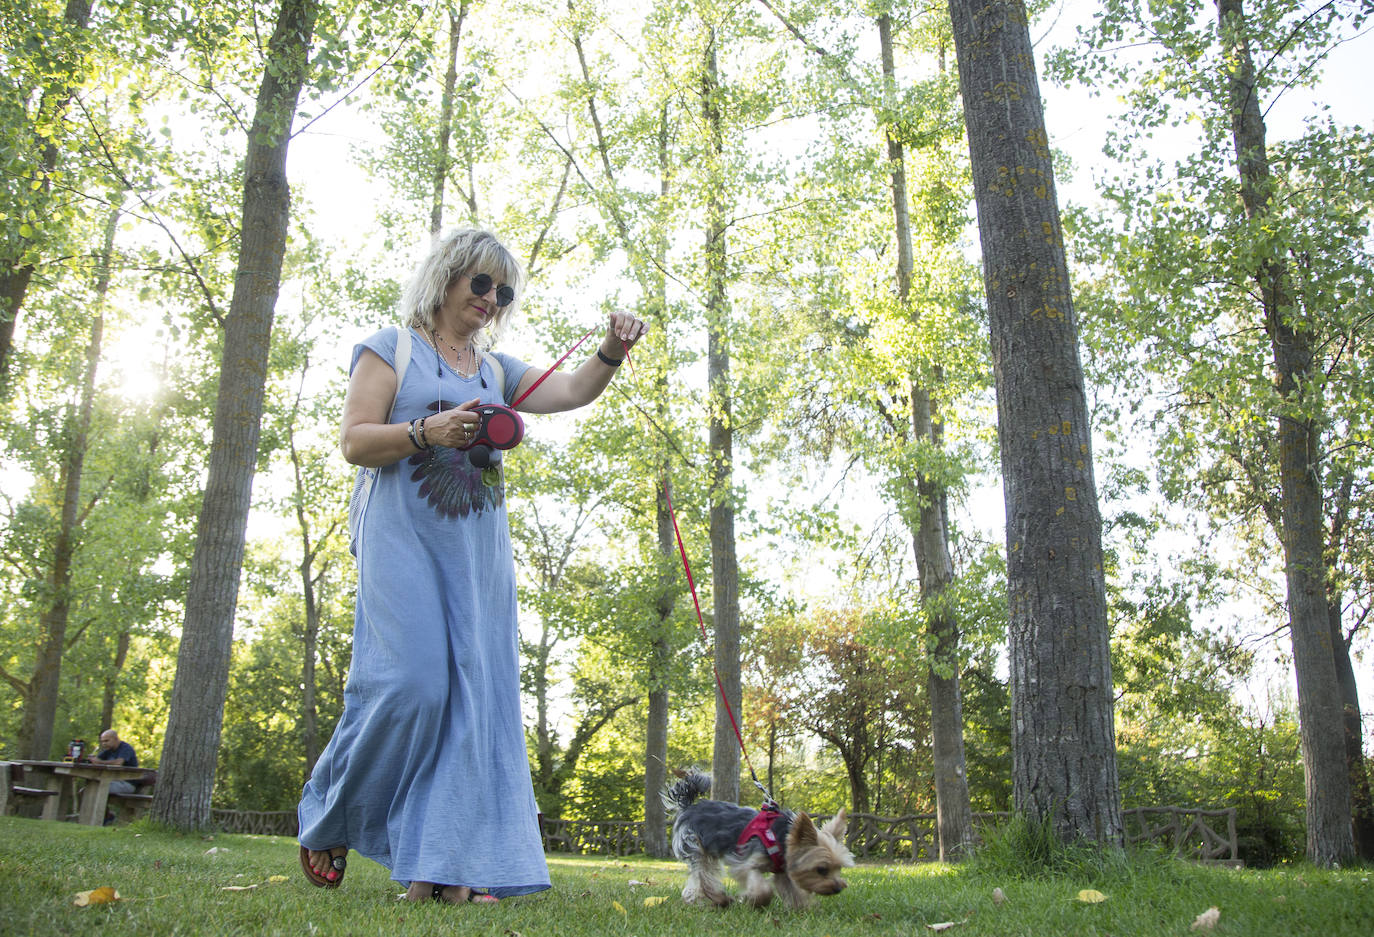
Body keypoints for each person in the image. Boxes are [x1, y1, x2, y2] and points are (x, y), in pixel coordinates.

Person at [297, 228, 647, 904]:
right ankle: (329, 810)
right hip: (400, 537)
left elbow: (573, 391)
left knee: (470, 703)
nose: (491, 299)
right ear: (448, 276)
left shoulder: (496, 370)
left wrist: (613, 348)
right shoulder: (389, 348)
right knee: (412, 685)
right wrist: (428, 431)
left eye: (503, 291)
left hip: (476, 552)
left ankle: (444, 864)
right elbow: (354, 440)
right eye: (481, 283)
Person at [93, 729, 140, 796]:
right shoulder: (108, 750)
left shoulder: (126, 748)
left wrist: (99, 762)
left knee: (99, 789)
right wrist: (92, 760)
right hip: (111, 781)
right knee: (86, 789)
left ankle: (98, 806)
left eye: (106, 741)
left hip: (126, 783)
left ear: (115, 739)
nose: (104, 744)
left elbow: (118, 763)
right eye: (102, 742)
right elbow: (96, 760)